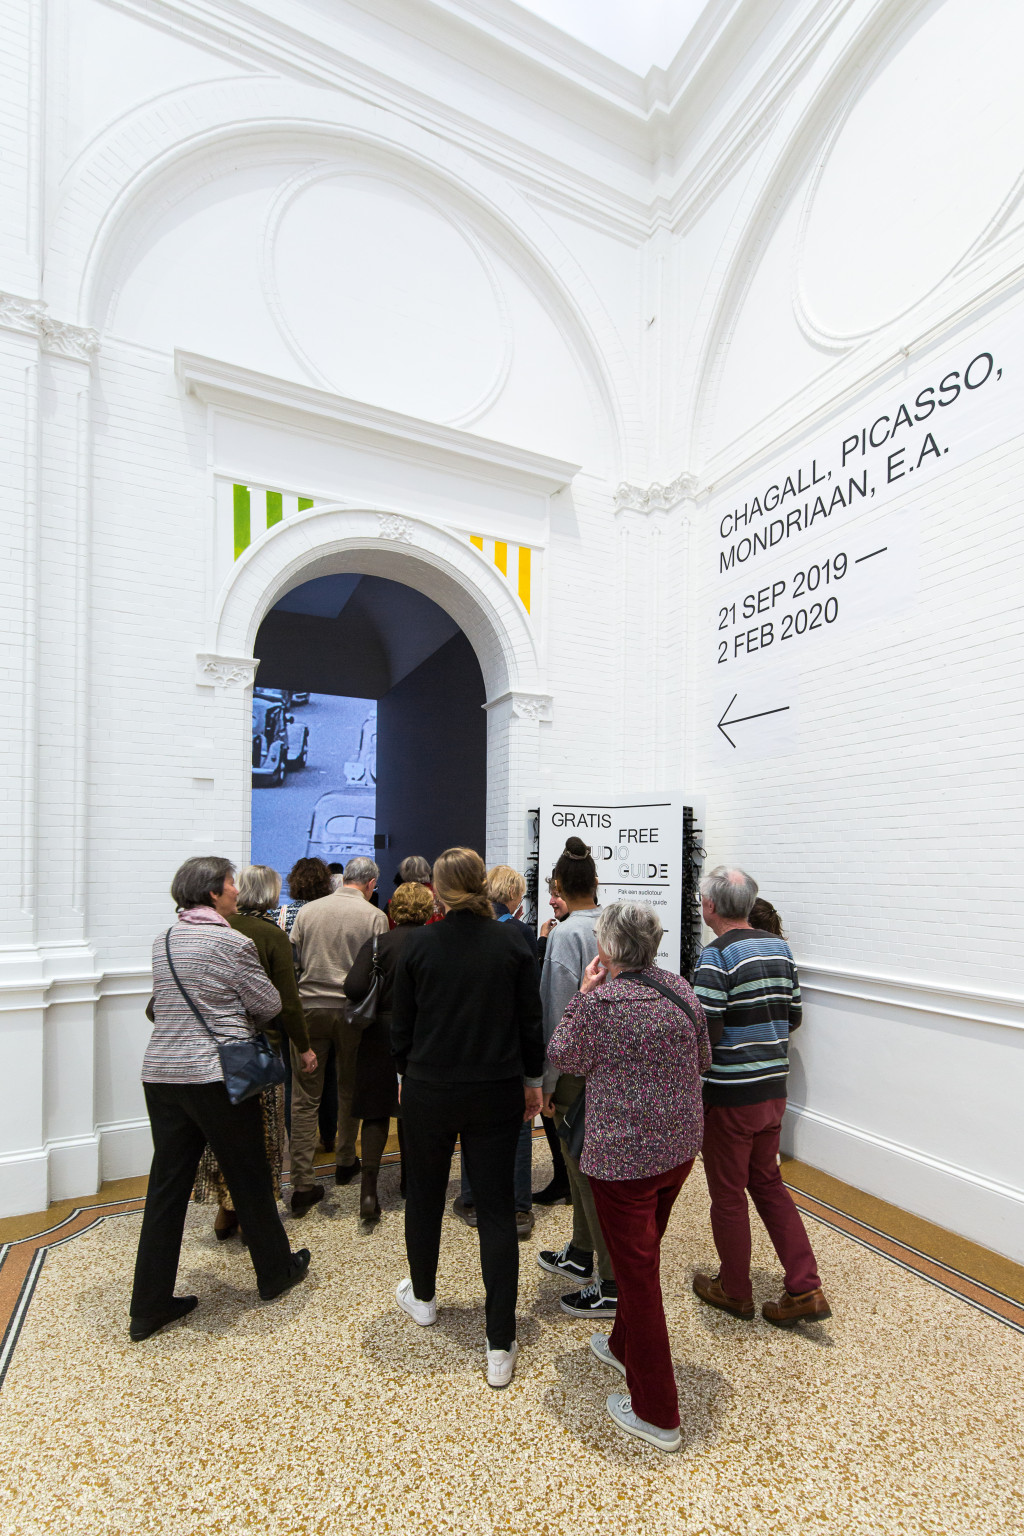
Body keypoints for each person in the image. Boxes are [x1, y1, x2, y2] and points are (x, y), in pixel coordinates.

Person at [547, 901, 710, 1453]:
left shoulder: (602, 1004)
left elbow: (563, 1054)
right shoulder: (681, 990)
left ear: (607, 948)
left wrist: (583, 994)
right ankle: (624, 1347)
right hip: (678, 1151)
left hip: (623, 1164)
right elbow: (703, 1059)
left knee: (638, 1279)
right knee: (640, 1254)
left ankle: (658, 1413)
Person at [130, 857, 309, 1341]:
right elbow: (268, 1004)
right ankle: (275, 1272)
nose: (237, 892)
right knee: (248, 1174)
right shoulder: (232, 943)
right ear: (213, 892)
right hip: (217, 1075)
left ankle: (148, 1306)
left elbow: (159, 1005)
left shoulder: (164, 940)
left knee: (166, 1187)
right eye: (231, 884)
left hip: (162, 1074)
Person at [391, 847, 543, 1390]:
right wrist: (533, 1081)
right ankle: (499, 1343)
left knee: (425, 1196)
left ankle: (424, 1298)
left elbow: (401, 1027)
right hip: (495, 1090)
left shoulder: (419, 944)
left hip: (429, 1089)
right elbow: (530, 1022)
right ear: (482, 885)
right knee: (497, 1210)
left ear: (437, 890)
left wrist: (405, 1073)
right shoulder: (513, 943)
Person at [692, 866, 831, 1326]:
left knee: (728, 1194)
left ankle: (734, 1290)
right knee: (768, 1183)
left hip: (731, 1096)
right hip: (773, 1089)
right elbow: (793, 1016)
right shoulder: (779, 948)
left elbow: (706, 1036)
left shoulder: (715, 957)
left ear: (711, 905)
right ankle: (805, 1286)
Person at [193, 864, 317, 1241]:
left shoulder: (213, 930)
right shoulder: (269, 935)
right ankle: (253, 1217)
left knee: (223, 1137)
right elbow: (287, 1002)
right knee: (263, 1137)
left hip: (212, 1051)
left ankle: (225, 1211)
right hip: (258, 1050)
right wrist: (304, 1047)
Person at [536, 837, 617, 1317]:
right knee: (578, 1164)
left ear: (561, 887)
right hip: (608, 1064)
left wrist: (546, 1083)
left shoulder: (566, 936)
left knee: (585, 1173)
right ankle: (582, 1252)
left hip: (574, 1069)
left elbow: (557, 1015)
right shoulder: (612, 925)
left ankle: (608, 1281)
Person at [288, 855, 389, 1211]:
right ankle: (346, 1161)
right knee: (349, 1088)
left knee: (305, 1096)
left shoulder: (308, 911)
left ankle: (302, 1182)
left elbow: (296, 960)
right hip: (351, 1012)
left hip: (309, 1008)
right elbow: (378, 970)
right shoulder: (374, 916)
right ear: (371, 884)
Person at [452, 866, 539, 1238]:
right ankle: (518, 1208)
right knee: (519, 1125)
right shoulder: (521, 933)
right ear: (515, 895)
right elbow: (530, 1000)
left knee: (472, 1122)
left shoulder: (466, 930)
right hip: (512, 1044)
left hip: (470, 1042)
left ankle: (472, 1200)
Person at [344, 880, 435, 1225]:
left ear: (394, 910)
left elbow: (353, 987)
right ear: (428, 910)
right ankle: (411, 1183)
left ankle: (368, 1191)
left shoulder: (378, 943)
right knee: (414, 1111)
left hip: (378, 1032)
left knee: (376, 1111)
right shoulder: (434, 943)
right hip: (422, 1032)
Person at [267, 855, 337, 1147]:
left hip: (290, 1003)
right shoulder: (332, 914)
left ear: (294, 882)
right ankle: (329, 1138)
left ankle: (297, 1141)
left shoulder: (278, 915)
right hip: (328, 1000)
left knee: (292, 1079)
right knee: (330, 1075)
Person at [534, 879, 572, 1206]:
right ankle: (565, 1179)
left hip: (567, 1055)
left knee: (556, 1115)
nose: (551, 901)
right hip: (571, 1053)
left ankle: (566, 1180)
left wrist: (544, 941)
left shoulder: (565, 936)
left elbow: (554, 1004)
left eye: (557, 895)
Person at [387, 855, 445, 926]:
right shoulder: (438, 893)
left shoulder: (399, 895)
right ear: (427, 870)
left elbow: (393, 925)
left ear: (403, 872)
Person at [536, 879, 568, 966]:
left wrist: (543, 939)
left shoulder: (563, 932)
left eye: (557, 895)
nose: (551, 902)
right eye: (551, 895)